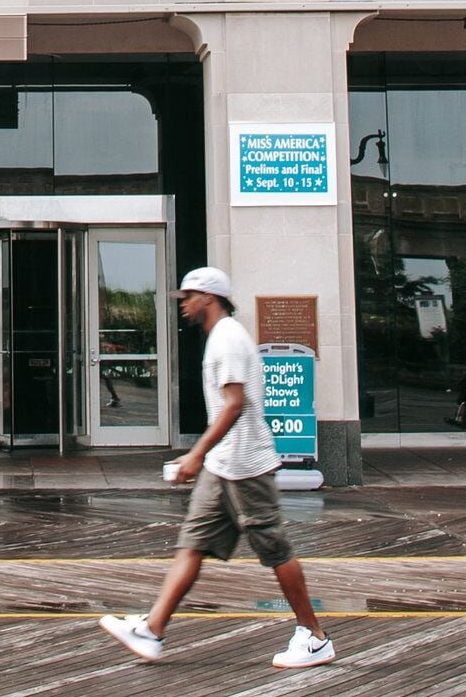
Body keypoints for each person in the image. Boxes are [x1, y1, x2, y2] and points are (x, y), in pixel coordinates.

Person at [97, 268, 333, 671]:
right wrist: (205, 458)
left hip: (245, 464)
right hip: (225, 464)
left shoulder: (226, 339)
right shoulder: (221, 336)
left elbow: (234, 405)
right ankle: (152, 631)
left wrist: (195, 455)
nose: (183, 304)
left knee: (274, 549)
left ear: (209, 297)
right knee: (192, 542)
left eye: (188, 296)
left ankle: (314, 637)